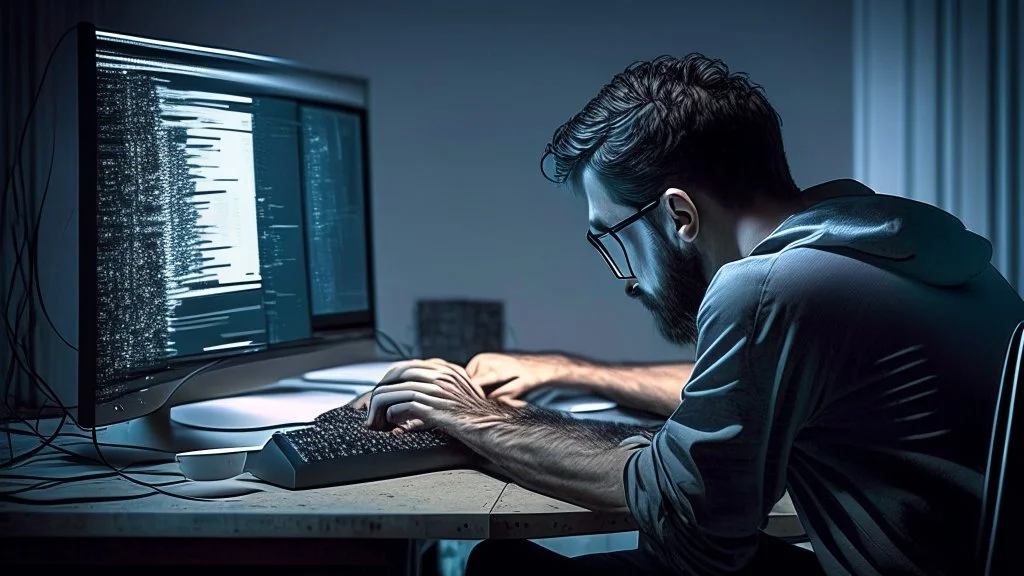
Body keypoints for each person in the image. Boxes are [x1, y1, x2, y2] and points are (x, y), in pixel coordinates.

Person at [355, 54, 1024, 575]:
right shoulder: (883, 251)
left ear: (679, 215)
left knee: (502, 566)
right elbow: (755, 388)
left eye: (611, 237)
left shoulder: (767, 289)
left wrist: (474, 418)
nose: (625, 280)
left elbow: (695, 537)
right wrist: (574, 373)